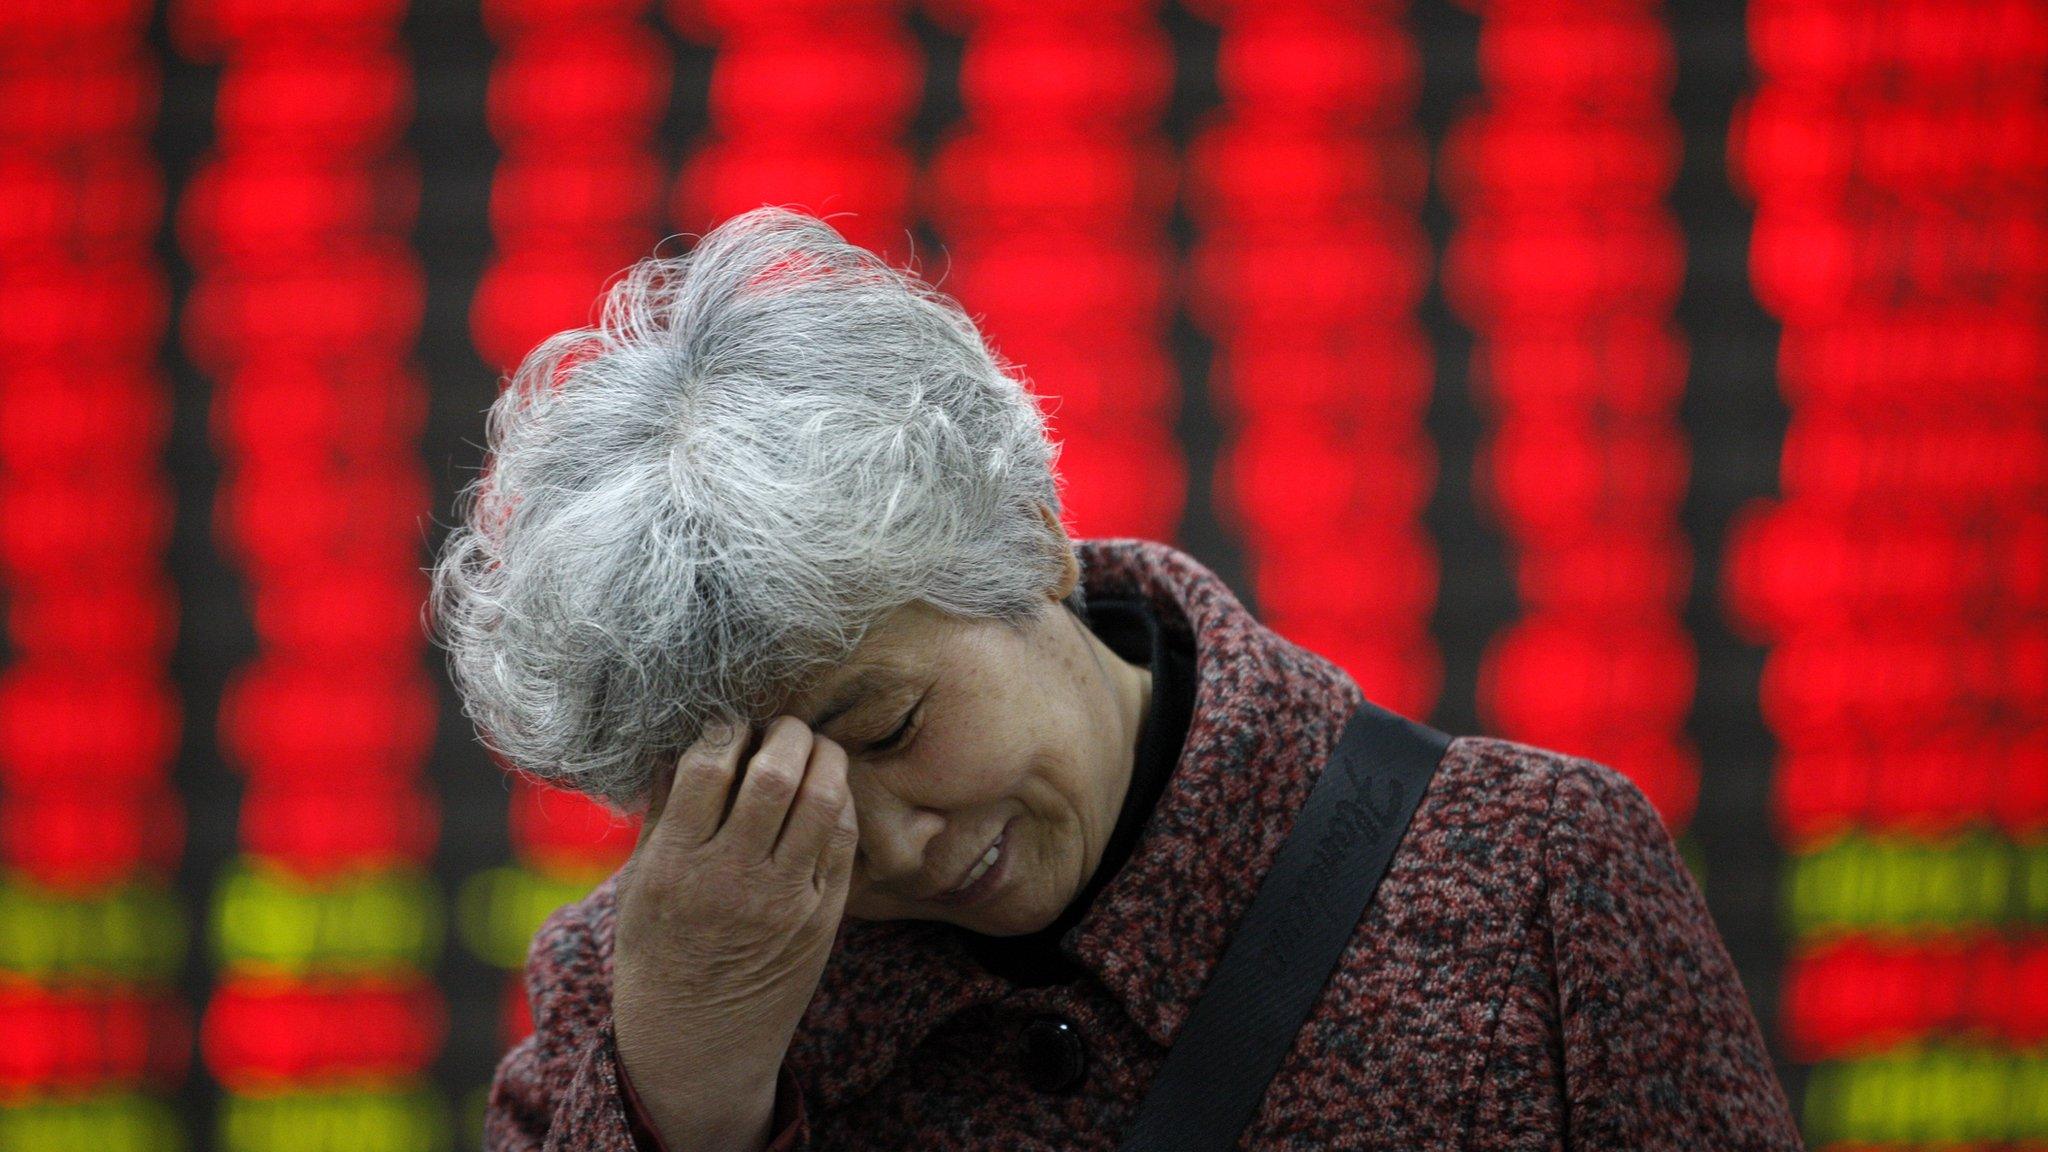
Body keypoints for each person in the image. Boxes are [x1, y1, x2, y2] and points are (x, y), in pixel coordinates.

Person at [429, 207, 1805, 1151]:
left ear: (1025, 536)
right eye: (767, 801)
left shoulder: (1538, 881)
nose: (878, 838)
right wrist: (682, 1099)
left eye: (894, 724)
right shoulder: (632, 1000)